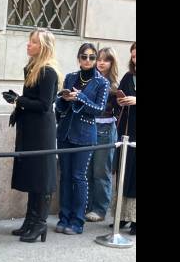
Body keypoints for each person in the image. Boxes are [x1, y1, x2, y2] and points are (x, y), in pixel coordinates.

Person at [3, 27, 62, 243]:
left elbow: (45, 105)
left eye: (34, 42)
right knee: (32, 175)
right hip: (30, 128)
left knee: (41, 176)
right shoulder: (32, 68)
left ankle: (40, 223)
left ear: (43, 47)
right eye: (30, 41)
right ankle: (30, 220)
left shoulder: (48, 71)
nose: (29, 45)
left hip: (41, 131)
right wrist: (17, 101)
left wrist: (18, 100)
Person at [55, 43, 109, 235]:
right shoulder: (70, 78)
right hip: (65, 133)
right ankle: (64, 217)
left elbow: (99, 109)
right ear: (78, 58)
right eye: (84, 57)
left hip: (85, 134)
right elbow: (60, 108)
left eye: (91, 57)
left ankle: (77, 221)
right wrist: (63, 99)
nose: (87, 60)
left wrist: (80, 98)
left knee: (79, 177)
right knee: (65, 177)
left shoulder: (101, 82)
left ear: (95, 60)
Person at [85, 47, 120, 222]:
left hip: (106, 129)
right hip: (88, 127)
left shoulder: (114, 86)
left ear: (111, 63)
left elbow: (120, 112)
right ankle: (88, 206)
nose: (101, 62)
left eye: (105, 60)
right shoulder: (90, 80)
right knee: (88, 170)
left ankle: (99, 209)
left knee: (101, 171)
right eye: (99, 59)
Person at [112, 42, 136, 235]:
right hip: (128, 130)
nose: (135, 59)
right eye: (134, 56)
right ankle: (122, 215)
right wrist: (121, 99)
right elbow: (118, 99)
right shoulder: (129, 76)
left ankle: (135, 218)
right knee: (124, 170)